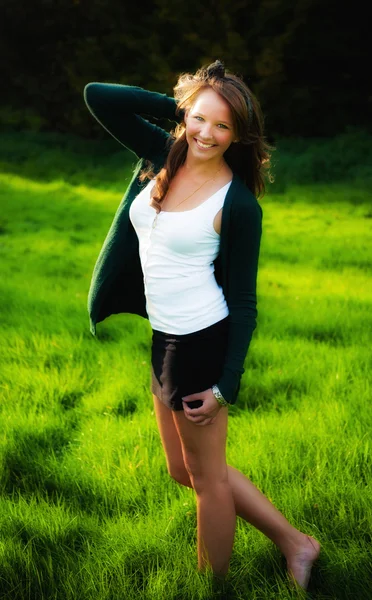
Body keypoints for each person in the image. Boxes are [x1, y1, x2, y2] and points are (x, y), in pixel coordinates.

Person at [83, 60, 320, 589]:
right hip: (162, 337)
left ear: (238, 136)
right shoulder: (164, 153)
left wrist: (225, 385)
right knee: (181, 471)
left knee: (208, 481)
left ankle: (210, 586)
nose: (206, 134)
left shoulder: (236, 204)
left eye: (223, 126)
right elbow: (100, 95)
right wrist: (190, 107)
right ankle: (296, 542)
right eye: (199, 120)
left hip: (200, 344)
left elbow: (244, 300)